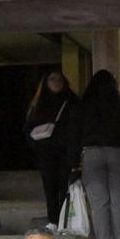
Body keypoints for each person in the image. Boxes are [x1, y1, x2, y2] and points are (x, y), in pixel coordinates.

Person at [68, 69, 120, 239]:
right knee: (119, 199)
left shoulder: (82, 108)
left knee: (99, 202)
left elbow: (74, 136)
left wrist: (74, 161)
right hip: (118, 154)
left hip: (91, 154)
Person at [24, 69, 78, 223]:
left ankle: (65, 221)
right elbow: (28, 128)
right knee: (50, 187)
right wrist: (37, 145)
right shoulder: (39, 103)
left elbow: (77, 128)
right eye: (52, 79)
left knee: (64, 186)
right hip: (46, 153)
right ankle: (54, 220)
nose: (56, 82)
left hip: (66, 152)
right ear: (46, 83)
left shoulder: (72, 101)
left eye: (59, 79)